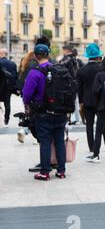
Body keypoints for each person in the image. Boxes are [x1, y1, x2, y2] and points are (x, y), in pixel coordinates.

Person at [22, 44, 68, 181]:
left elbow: (27, 95)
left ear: (35, 56)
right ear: (48, 55)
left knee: (45, 142)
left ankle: (45, 172)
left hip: (43, 113)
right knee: (59, 141)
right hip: (60, 112)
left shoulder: (35, 72)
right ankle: (61, 171)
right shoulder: (59, 70)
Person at [77, 44, 105, 158]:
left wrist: (81, 101)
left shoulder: (81, 70)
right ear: (98, 56)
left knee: (89, 125)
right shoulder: (101, 69)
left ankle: (92, 147)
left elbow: (79, 88)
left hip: (87, 101)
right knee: (103, 123)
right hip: (100, 100)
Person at [0, 48, 18, 127]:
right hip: (8, 88)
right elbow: (15, 77)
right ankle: (6, 120)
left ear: (1, 54)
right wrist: (14, 88)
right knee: (7, 104)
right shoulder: (12, 64)